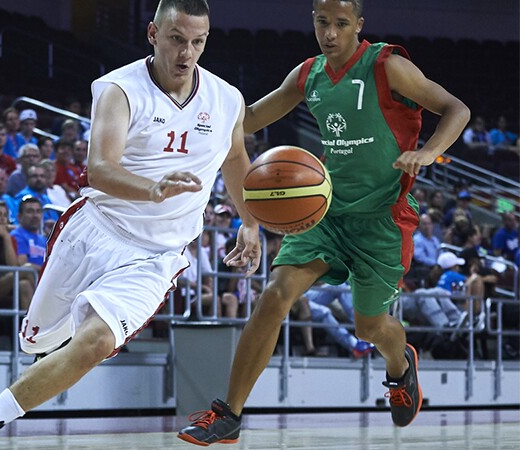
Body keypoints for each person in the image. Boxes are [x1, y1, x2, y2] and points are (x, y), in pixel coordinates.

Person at [0, 1, 261, 447]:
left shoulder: (227, 98)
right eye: (176, 39)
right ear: (153, 34)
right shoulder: (119, 88)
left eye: (197, 42)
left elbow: (234, 159)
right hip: (99, 230)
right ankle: (37, 363)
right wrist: (152, 189)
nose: (186, 52)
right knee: (40, 343)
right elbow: (99, 168)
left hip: (156, 256)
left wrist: (249, 221)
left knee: (94, 343)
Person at [178, 0, 470, 445]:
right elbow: (251, 118)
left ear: (359, 25)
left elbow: (456, 109)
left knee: (367, 328)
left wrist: (429, 152)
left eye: (340, 24)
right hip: (325, 212)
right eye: (321, 22)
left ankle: (400, 364)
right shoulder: (308, 74)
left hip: (383, 221)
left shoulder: (388, 66)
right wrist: (196, 107)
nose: (329, 33)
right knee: (275, 295)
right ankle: (229, 415)